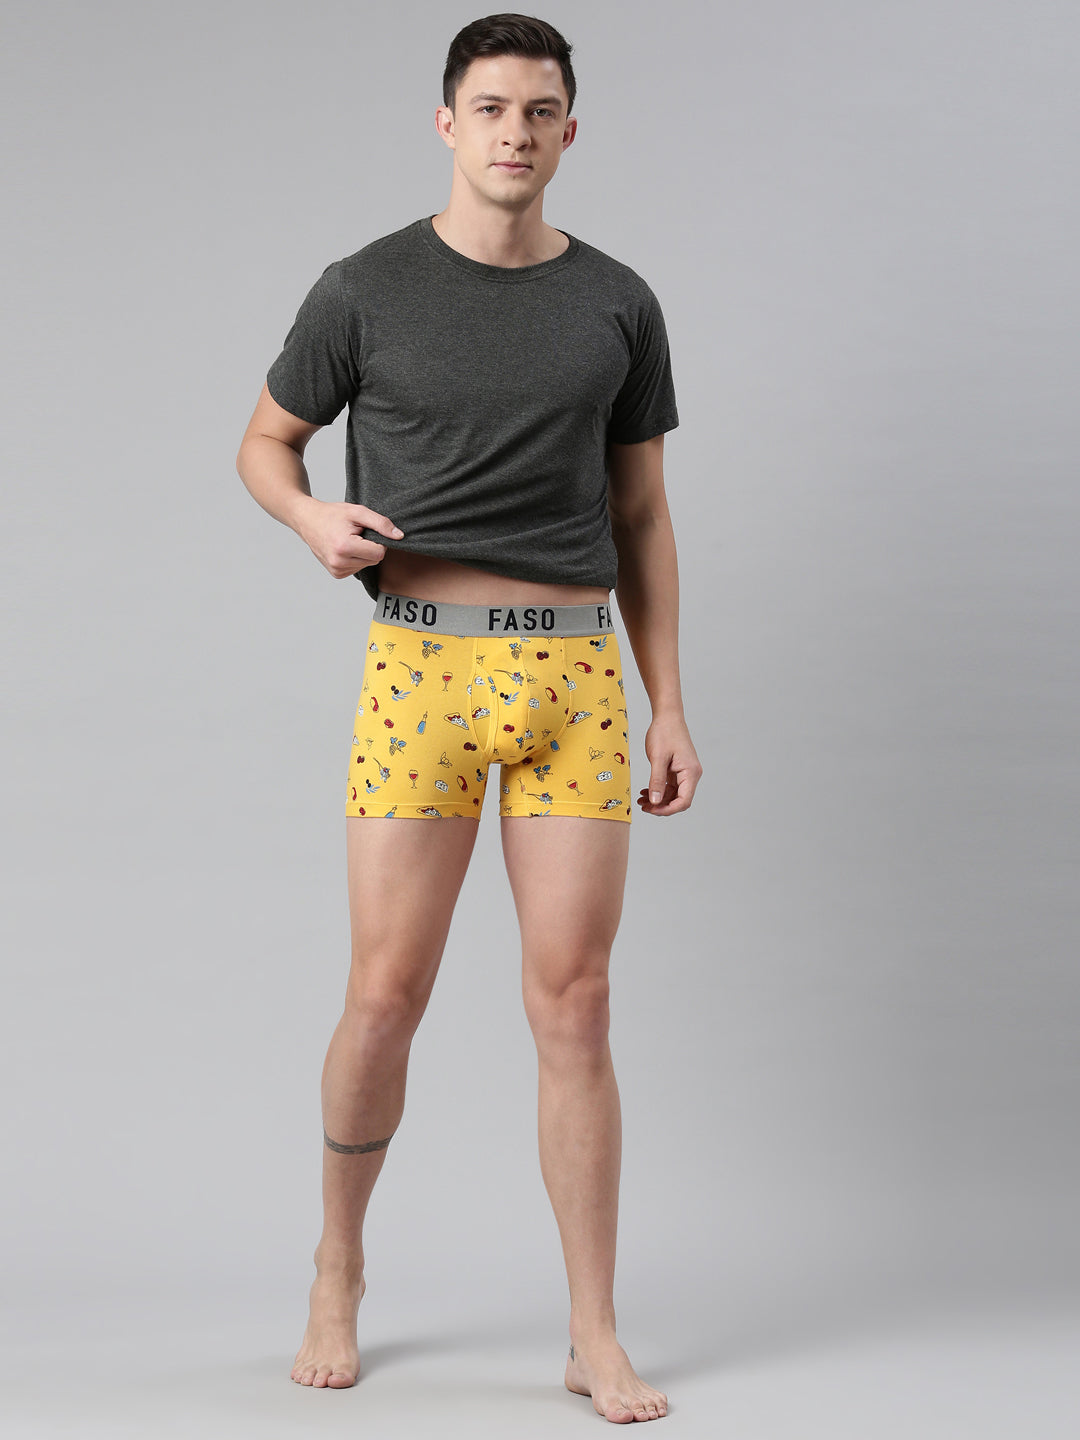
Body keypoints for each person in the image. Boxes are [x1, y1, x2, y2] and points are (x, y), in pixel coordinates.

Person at [235, 12, 701, 1424]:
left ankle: (592, 1330)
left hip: (573, 681)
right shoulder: (362, 289)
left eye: (539, 111)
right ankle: (337, 1268)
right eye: (491, 107)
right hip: (420, 673)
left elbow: (641, 515)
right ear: (448, 124)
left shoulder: (618, 301)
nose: (514, 132)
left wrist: (670, 703)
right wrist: (311, 516)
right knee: (386, 994)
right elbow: (264, 443)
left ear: (570, 132)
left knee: (578, 1002)